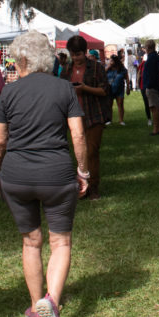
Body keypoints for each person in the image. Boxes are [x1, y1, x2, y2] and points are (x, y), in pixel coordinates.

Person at [0, 31, 89, 317]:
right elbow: (78, 135)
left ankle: (36, 306)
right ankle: (53, 301)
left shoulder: (8, 92)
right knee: (61, 242)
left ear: (22, 60)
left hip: (16, 175)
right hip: (56, 173)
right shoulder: (63, 88)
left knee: (31, 242)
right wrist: (83, 171)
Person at [60, 35, 111, 197]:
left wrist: (84, 88)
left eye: (79, 54)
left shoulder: (96, 68)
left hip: (94, 114)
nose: (76, 58)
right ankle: (82, 185)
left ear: (85, 52)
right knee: (79, 153)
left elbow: (104, 91)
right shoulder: (66, 70)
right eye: (73, 55)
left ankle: (93, 186)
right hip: (74, 116)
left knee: (92, 152)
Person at [142, 40, 159, 135]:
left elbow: (151, 74)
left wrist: (148, 85)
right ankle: (158, 128)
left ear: (148, 48)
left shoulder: (151, 59)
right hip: (157, 85)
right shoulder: (157, 57)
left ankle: (156, 129)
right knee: (157, 108)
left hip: (152, 86)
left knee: (154, 108)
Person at [106, 54, 128, 126]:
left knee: (120, 104)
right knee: (109, 105)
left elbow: (126, 78)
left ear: (116, 61)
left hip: (120, 89)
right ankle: (109, 120)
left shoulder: (122, 69)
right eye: (110, 60)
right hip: (109, 89)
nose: (110, 61)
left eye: (112, 60)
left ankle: (121, 120)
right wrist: (108, 67)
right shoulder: (108, 68)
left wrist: (128, 87)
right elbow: (102, 74)